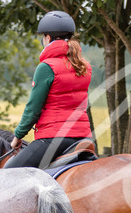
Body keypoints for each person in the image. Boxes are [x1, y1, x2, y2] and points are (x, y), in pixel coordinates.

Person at [5, 10, 93, 169]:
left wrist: (18, 135)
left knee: (9, 172)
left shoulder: (46, 67)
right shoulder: (84, 66)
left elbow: (33, 109)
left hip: (54, 137)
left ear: (48, 38)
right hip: (83, 137)